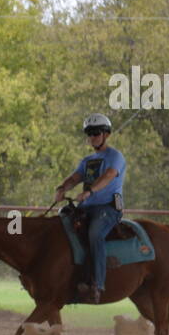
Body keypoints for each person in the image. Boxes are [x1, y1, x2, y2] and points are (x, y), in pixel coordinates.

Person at [53, 112, 126, 304]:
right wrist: (62, 188)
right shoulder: (86, 161)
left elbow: (109, 176)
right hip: (86, 207)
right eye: (89, 133)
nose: (92, 137)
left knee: (95, 234)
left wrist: (89, 192)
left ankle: (98, 284)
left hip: (108, 208)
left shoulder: (115, 156)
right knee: (60, 225)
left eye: (96, 133)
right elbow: (75, 178)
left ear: (106, 134)